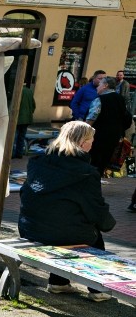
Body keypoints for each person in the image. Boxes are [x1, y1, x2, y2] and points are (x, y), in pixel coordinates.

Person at [18, 121, 115, 301]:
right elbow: (95, 209)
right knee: (93, 235)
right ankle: (97, 289)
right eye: (91, 140)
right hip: (58, 233)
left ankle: (59, 282)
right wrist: (108, 224)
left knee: (64, 223)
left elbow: (26, 193)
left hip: (29, 229)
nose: (93, 144)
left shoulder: (38, 162)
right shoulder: (86, 173)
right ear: (82, 143)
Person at [86, 76, 131, 174]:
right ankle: (97, 180)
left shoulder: (101, 99)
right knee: (104, 161)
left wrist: (84, 131)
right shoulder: (121, 99)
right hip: (114, 136)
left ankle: (90, 182)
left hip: (98, 135)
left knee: (93, 161)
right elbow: (127, 118)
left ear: (105, 86)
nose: (97, 87)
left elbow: (92, 117)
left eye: (100, 85)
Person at [13, 84, 36, 159]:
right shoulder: (29, 91)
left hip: (18, 118)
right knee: (21, 136)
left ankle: (12, 153)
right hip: (27, 118)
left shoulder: (17, 91)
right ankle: (19, 153)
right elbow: (33, 105)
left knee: (14, 137)